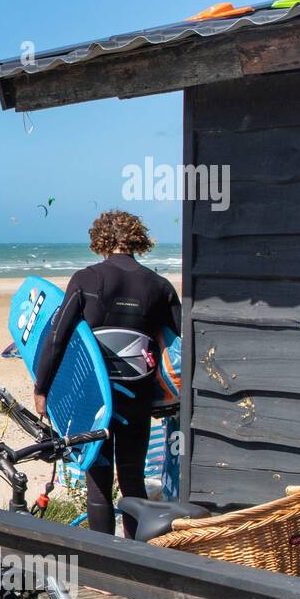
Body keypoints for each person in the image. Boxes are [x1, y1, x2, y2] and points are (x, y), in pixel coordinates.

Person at [34, 210, 181, 536]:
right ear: (137, 240)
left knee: (98, 481)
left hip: (95, 398)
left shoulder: (85, 279)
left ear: (100, 239)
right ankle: (138, 558)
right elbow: (182, 343)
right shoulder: (160, 286)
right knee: (132, 478)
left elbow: (57, 337)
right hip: (137, 395)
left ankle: (105, 569)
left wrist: (42, 387)